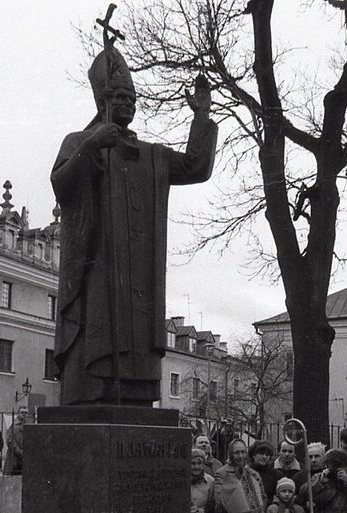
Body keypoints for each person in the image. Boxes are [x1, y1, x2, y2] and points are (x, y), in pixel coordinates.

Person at [51, 46, 217, 405]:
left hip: (140, 276)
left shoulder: (150, 155)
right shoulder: (80, 141)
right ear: (101, 99)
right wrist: (93, 146)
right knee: (95, 338)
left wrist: (202, 115)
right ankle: (93, 392)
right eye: (120, 97)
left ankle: (135, 394)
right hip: (97, 270)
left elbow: (194, 166)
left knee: (138, 341)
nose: (129, 104)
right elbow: (62, 185)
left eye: (133, 98)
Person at [4, 407, 28, 475]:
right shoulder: (12, 424)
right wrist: (18, 450)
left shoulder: (28, 425)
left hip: (24, 457)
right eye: (22, 412)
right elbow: (9, 440)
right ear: (18, 414)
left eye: (26, 413)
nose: (24, 414)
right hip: (13, 457)